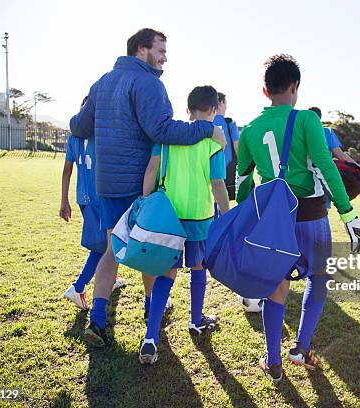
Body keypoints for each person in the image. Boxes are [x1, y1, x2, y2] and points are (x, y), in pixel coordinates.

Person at [69, 28, 227, 347]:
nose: (165, 57)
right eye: (160, 50)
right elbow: (161, 129)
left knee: (112, 251)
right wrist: (207, 129)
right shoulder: (148, 83)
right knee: (152, 247)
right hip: (137, 183)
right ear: (142, 49)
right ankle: (149, 310)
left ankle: (98, 320)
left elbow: (79, 126)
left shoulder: (102, 82)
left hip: (106, 183)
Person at [236, 54, 360, 382]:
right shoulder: (309, 120)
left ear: (264, 90)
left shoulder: (250, 128)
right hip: (311, 215)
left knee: (275, 287)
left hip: (272, 220)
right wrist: (348, 213)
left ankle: (272, 358)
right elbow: (325, 165)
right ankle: (300, 347)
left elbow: (241, 180)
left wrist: (242, 217)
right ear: (295, 87)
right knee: (318, 279)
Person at [138, 85, 230, 364]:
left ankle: (151, 337)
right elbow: (217, 184)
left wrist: (144, 202)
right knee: (198, 268)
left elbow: (152, 169)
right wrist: (226, 216)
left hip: (168, 216)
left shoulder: (167, 137)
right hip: (200, 218)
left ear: (188, 109)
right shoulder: (213, 142)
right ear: (214, 110)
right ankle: (195, 320)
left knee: (166, 274)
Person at [59, 123, 126, 310]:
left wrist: (64, 200)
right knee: (103, 246)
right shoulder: (102, 133)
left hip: (83, 197)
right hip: (101, 196)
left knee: (108, 240)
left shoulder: (74, 136)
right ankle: (78, 286)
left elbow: (67, 170)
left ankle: (111, 279)